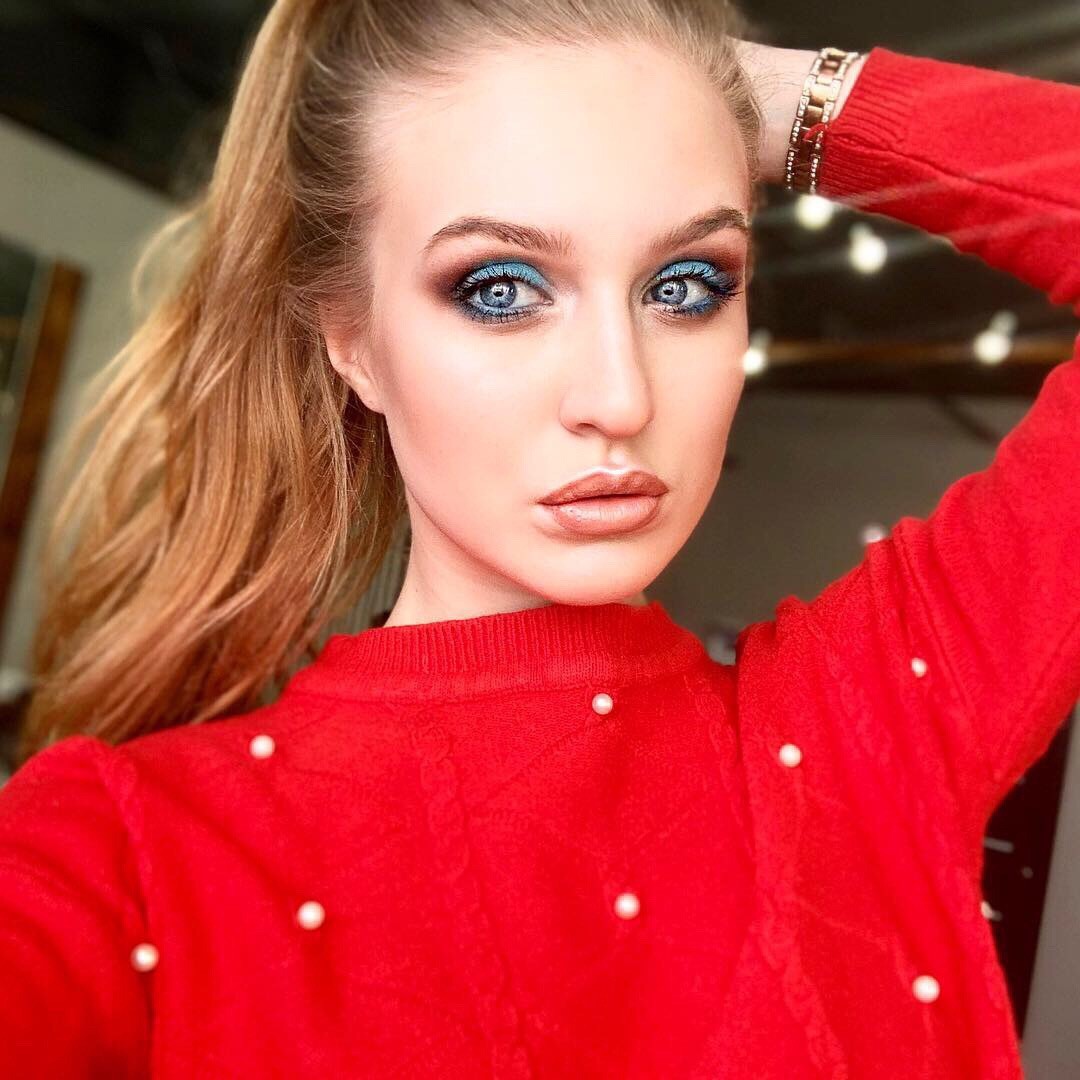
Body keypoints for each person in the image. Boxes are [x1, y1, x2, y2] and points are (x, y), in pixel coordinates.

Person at [2, 0, 1078, 1075]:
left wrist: (763, 98)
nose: (618, 396)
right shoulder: (121, 857)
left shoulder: (871, 725)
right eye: (501, 288)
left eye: (685, 285)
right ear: (353, 341)